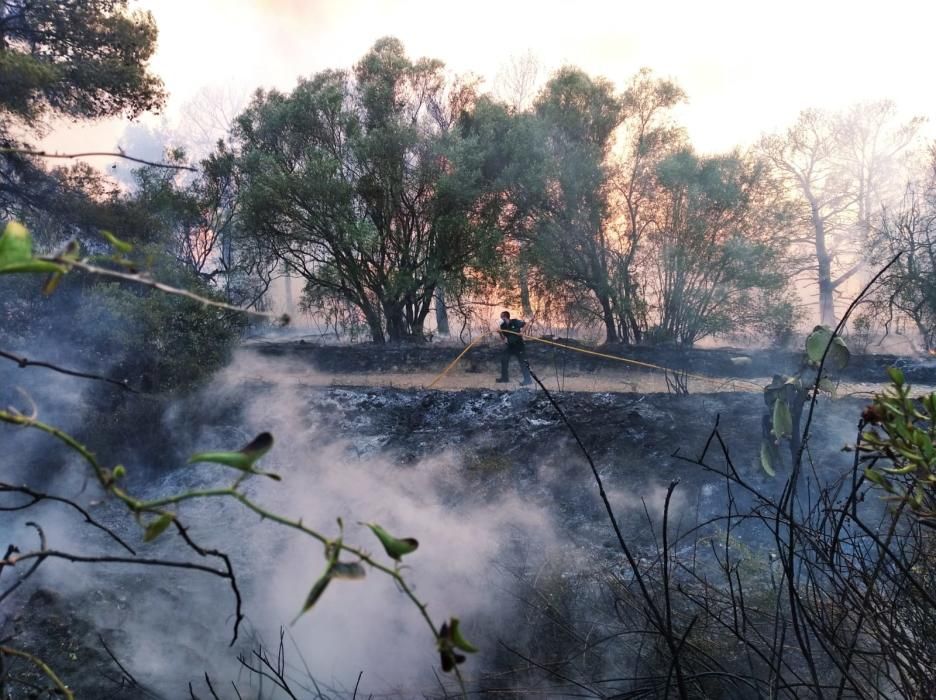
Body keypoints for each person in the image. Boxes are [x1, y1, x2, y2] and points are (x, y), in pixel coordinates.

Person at [496, 311, 533, 386]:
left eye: (502, 317)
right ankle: (504, 378)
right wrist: (500, 333)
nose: (501, 318)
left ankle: (528, 380)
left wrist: (522, 332)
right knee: (504, 359)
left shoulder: (515, 322)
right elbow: (503, 339)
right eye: (501, 317)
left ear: (506, 317)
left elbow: (526, 324)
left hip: (519, 345)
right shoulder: (502, 326)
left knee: (523, 362)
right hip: (510, 346)